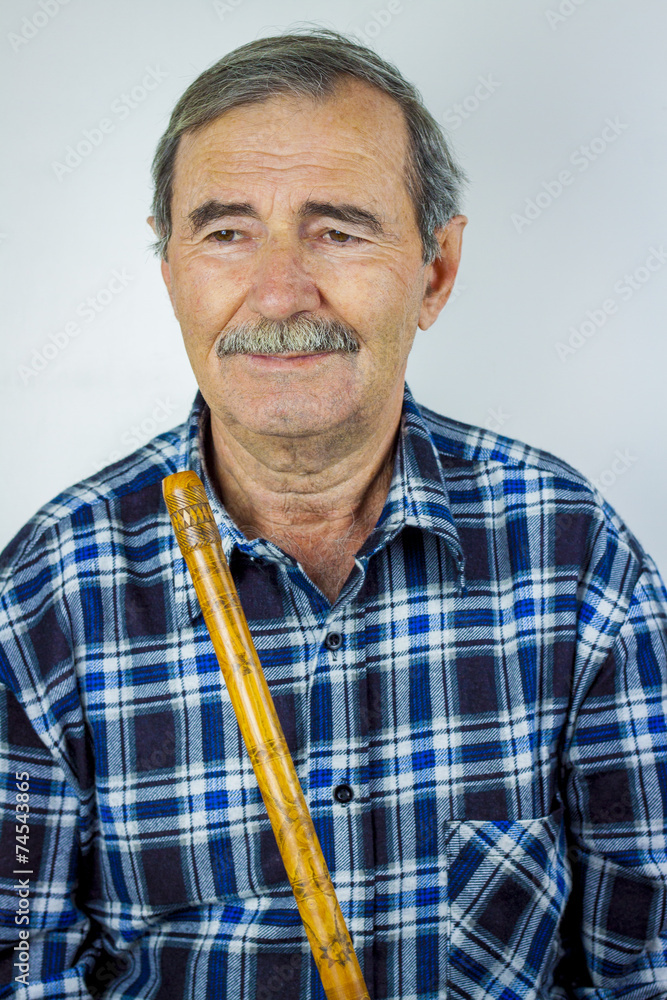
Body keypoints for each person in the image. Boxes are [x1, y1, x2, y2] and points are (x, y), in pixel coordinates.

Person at [1, 27, 666, 1000]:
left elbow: (647, 969)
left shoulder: (573, 555)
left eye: (339, 230)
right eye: (226, 233)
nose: (278, 294)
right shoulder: (46, 591)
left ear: (435, 270)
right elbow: (19, 966)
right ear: (171, 270)